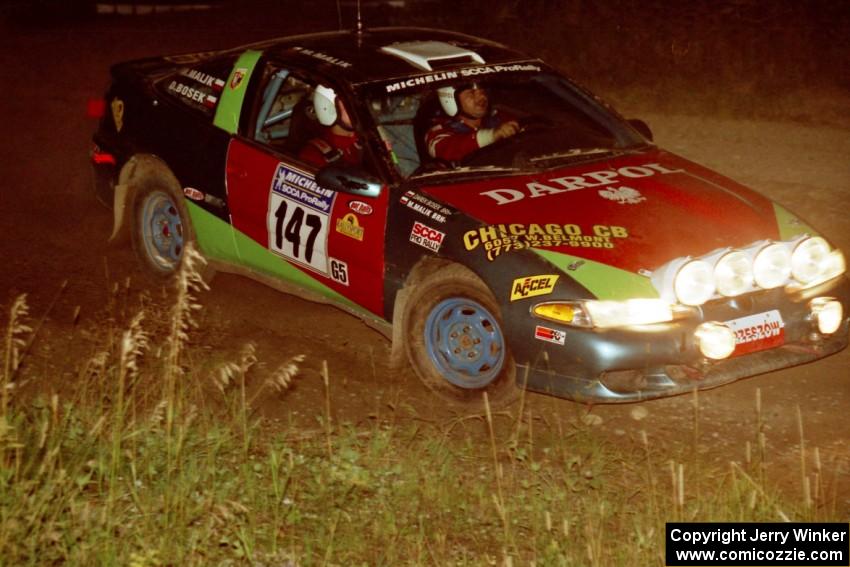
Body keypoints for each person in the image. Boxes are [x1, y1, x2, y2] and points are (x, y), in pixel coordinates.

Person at [424, 82, 520, 164]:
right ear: (450, 99)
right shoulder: (437, 133)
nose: (482, 97)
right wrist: (493, 135)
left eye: (483, 91)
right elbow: (448, 150)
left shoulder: (501, 118)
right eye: (471, 92)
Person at [299, 84, 363, 167]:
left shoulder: (371, 139)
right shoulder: (314, 155)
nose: (357, 108)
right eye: (349, 104)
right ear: (328, 108)